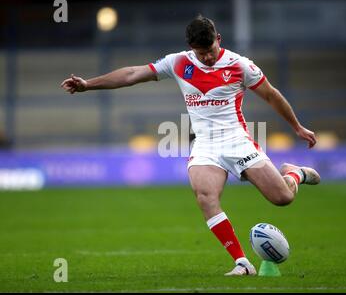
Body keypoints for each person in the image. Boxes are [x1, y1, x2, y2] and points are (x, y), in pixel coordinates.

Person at [61, 15, 320, 276]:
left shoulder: (240, 65)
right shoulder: (179, 62)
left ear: (218, 40)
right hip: (205, 145)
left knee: (282, 198)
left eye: (210, 51)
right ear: (191, 48)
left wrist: (297, 126)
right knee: (206, 197)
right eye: (201, 53)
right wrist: (88, 85)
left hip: (237, 141)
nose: (207, 57)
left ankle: (294, 173)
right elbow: (132, 74)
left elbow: (271, 95)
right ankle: (242, 262)